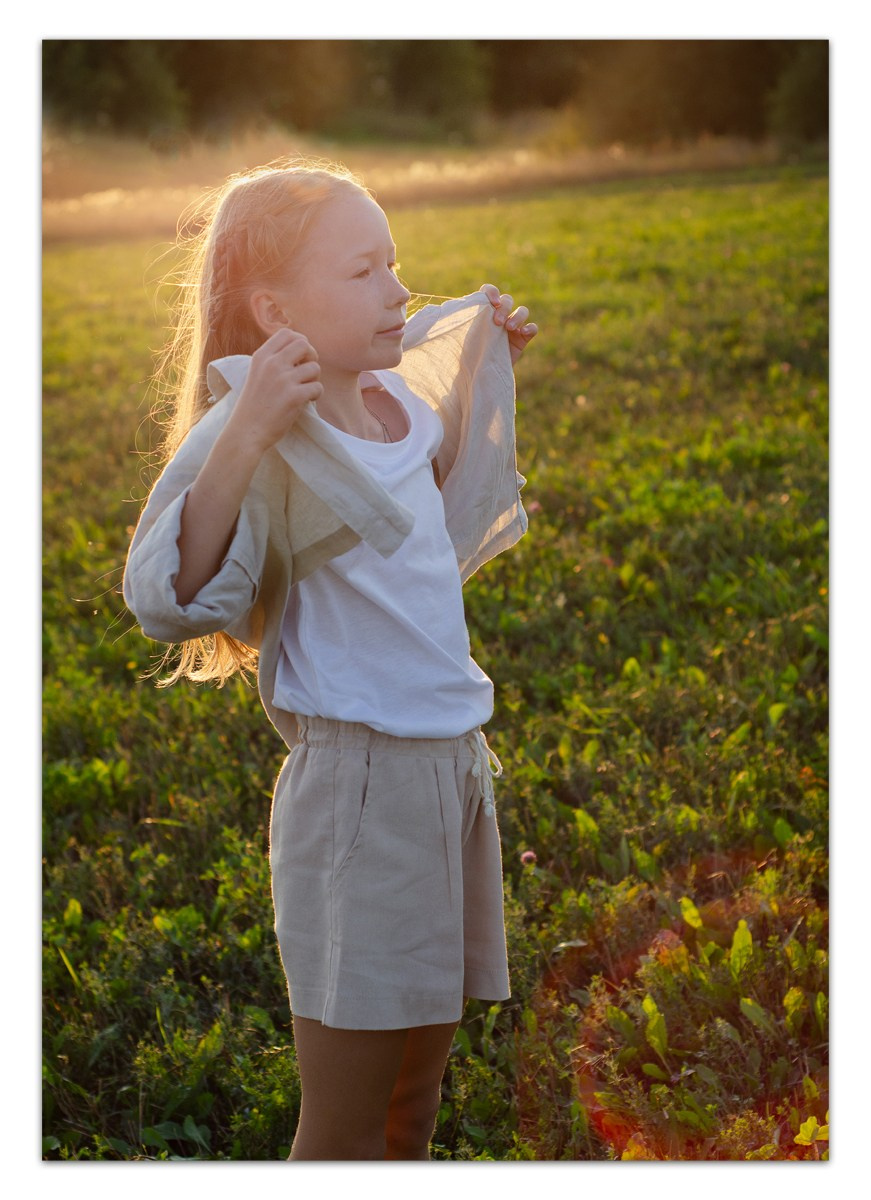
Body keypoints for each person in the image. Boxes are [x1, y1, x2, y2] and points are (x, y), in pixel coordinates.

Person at [123, 157, 538, 1161]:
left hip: (452, 773)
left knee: (416, 1099)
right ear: (273, 311)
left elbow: (428, 518)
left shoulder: (397, 403)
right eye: (363, 272)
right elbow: (167, 598)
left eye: (395, 265)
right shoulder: (261, 436)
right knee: (347, 1123)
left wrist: (488, 352)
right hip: (360, 792)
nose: (399, 291)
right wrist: (248, 431)